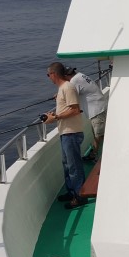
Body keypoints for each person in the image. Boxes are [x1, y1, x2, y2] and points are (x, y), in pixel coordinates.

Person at [44, 62, 88, 209]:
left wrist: (55, 118)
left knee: (74, 165)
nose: (48, 77)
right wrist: (53, 115)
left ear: (54, 74)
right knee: (67, 164)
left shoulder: (67, 88)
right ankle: (71, 192)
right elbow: (66, 109)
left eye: (48, 75)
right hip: (65, 132)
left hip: (72, 133)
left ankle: (79, 195)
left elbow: (75, 110)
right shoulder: (63, 89)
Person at [64, 66, 108, 165]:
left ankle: (99, 156)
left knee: (99, 135)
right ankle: (94, 155)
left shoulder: (74, 81)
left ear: (66, 76)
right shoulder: (80, 75)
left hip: (97, 110)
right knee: (98, 134)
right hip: (98, 107)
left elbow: (71, 95)